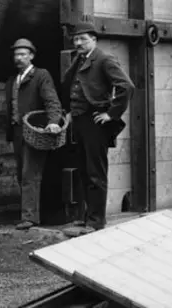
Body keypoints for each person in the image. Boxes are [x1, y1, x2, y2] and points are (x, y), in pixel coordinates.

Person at [61, 22, 135, 232]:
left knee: (96, 173)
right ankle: (87, 217)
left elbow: (126, 86)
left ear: (94, 40)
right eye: (76, 39)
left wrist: (111, 114)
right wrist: (68, 111)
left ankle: (96, 221)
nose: (78, 43)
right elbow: (71, 85)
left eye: (83, 39)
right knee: (84, 171)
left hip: (95, 123)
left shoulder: (104, 59)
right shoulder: (79, 59)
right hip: (80, 122)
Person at [5, 38, 63, 230]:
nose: (19, 58)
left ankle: (30, 218)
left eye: (23, 54)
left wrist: (53, 122)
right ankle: (32, 214)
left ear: (31, 56)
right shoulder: (13, 80)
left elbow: (52, 101)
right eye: (16, 54)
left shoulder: (41, 75)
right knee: (22, 175)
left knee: (31, 174)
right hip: (17, 132)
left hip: (35, 131)